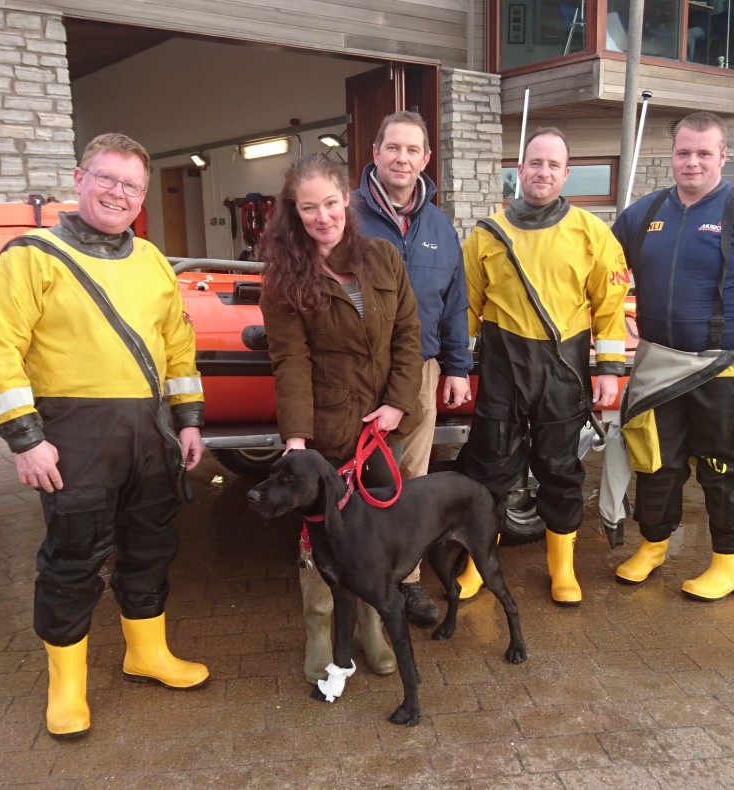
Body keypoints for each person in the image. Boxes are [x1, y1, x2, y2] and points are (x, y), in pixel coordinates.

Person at [0, 132, 208, 740]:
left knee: (150, 547)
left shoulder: (155, 262)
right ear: (79, 180)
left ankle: (146, 653)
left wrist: (188, 422)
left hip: (150, 435)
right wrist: (25, 439)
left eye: (131, 185)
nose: (117, 193)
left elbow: (180, 348)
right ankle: (66, 687)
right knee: (74, 557)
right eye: (106, 178)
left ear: (143, 196)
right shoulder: (31, 256)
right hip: (74, 436)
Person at [609, 112, 734, 599]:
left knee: (724, 468)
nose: (692, 162)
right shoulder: (643, 213)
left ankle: (727, 563)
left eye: (703, 153)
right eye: (684, 152)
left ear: (723, 157)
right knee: (656, 464)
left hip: (724, 369)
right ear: (671, 155)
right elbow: (608, 269)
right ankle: (653, 546)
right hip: (659, 368)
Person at [258, 153, 423, 684]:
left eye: (330, 203)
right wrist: (297, 441)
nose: (322, 217)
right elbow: (291, 361)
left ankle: (373, 625)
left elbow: (408, 335)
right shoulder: (283, 276)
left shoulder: (382, 257)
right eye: (309, 208)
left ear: (346, 199)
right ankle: (321, 629)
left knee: (372, 533)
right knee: (319, 537)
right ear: (295, 210)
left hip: (379, 427)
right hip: (324, 430)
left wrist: (398, 403)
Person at [462, 127, 630, 606]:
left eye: (553, 165)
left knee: (560, 472)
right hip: (501, 372)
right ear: (520, 170)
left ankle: (563, 571)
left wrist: (609, 370)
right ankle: (478, 567)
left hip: (564, 373)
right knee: (490, 470)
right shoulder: (486, 235)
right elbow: (467, 311)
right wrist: (455, 367)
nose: (543, 172)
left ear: (566, 173)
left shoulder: (594, 235)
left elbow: (610, 310)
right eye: (535, 163)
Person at [351, 110, 475, 623]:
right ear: (375, 153)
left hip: (420, 368)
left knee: (412, 476)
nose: (402, 158)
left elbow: (454, 300)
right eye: (393, 148)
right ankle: (361, 580)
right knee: (358, 476)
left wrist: (457, 366)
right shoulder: (348, 215)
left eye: (412, 150)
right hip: (357, 367)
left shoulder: (440, 225)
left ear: (426, 159)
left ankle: (407, 583)